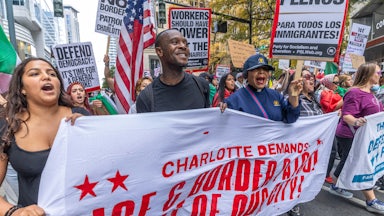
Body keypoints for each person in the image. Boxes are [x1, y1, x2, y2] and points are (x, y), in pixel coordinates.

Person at [0, 57, 87, 215]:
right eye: (34, 74)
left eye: (52, 74)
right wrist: (13, 212)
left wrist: (91, 134)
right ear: (21, 89)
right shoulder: (7, 128)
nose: (47, 77)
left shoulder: (81, 118)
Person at [330, 62, 384, 214]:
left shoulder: (370, 92)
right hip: (350, 134)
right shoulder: (354, 92)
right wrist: (356, 121)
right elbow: (347, 114)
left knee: (348, 160)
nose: (380, 76)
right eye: (378, 73)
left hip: (365, 135)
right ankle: (370, 200)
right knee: (362, 162)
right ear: (368, 74)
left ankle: (336, 184)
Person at [136, 29, 210, 113]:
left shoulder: (201, 85)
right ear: (159, 51)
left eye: (186, 43)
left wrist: (223, 112)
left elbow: (208, 121)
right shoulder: (146, 97)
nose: (183, 46)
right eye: (175, 42)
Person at [224, 54, 302, 123]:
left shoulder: (275, 95)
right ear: (246, 74)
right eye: (256, 69)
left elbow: (291, 118)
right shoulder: (234, 99)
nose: (261, 72)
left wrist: (293, 96)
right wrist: (222, 110)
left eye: (265, 69)